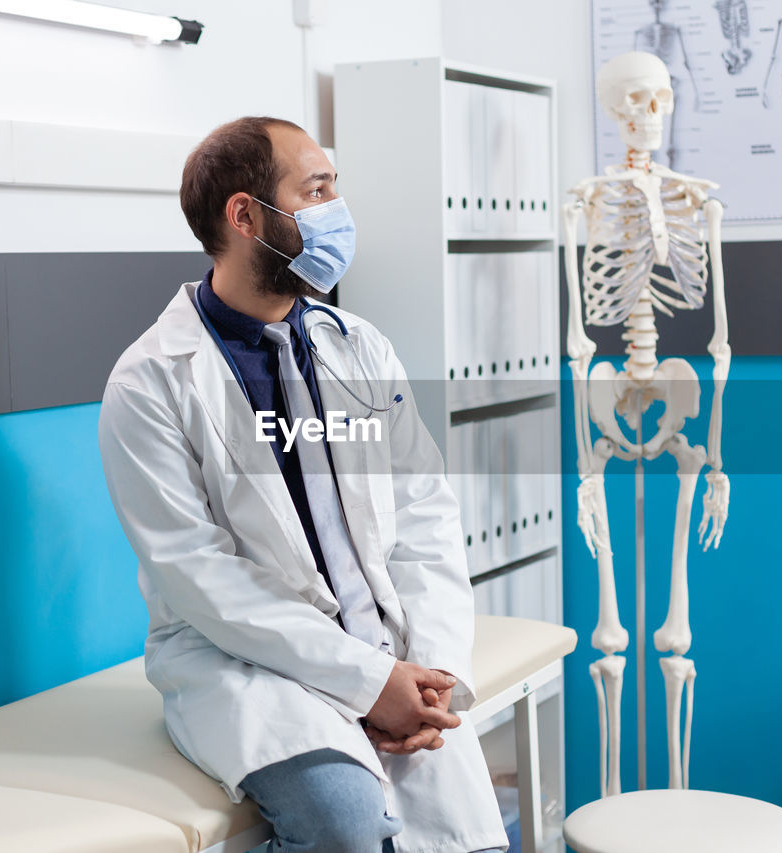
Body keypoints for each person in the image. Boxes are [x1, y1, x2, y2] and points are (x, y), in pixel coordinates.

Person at [97, 116, 508, 853]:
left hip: (385, 640)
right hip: (243, 662)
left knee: (467, 841)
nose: (336, 210)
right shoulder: (151, 382)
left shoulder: (359, 348)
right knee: (344, 827)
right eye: (315, 190)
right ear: (246, 215)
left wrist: (431, 667)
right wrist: (367, 680)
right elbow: (199, 578)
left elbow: (424, 514)